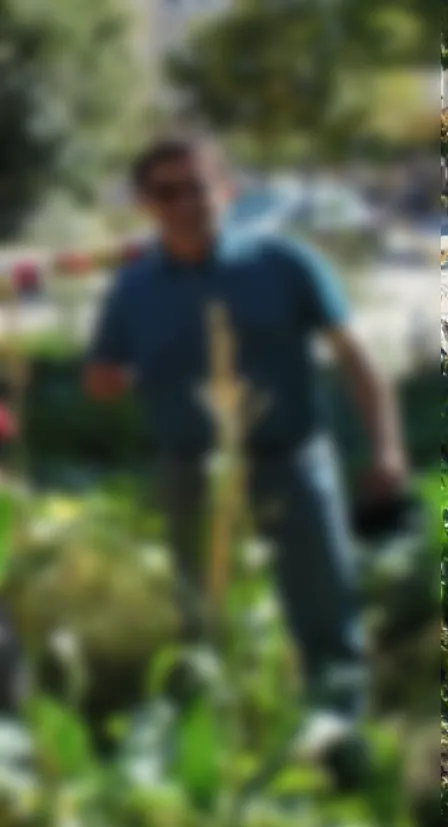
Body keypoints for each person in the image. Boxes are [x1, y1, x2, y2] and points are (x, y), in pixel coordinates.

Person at [83, 139, 409, 750]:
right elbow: (105, 371)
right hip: (191, 474)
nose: (186, 204)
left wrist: (387, 451)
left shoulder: (282, 264)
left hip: (291, 464)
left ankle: (340, 757)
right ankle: (232, 751)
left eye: (196, 187)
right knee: (206, 616)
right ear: (145, 203)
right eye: (167, 192)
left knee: (324, 615)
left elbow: (356, 358)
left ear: (225, 190)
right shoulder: (135, 286)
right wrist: (108, 381)